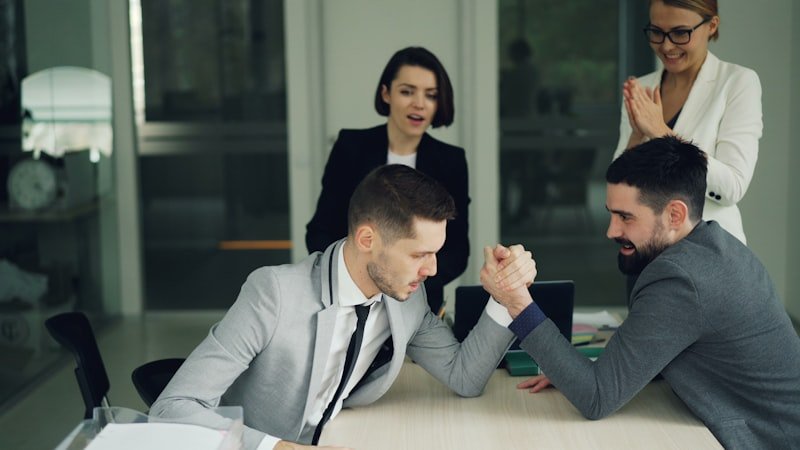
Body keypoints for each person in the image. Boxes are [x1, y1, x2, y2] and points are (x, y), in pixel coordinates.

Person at [152, 165, 533, 450]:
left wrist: (505, 297)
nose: (432, 269)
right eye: (420, 254)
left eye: (436, 253)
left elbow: (464, 376)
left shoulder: (407, 297)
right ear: (368, 238)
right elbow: (172, 409)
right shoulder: (274, 293)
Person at [483, 137, 800, 449]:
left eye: (625, 217)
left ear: (674, 215)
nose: (611, 231)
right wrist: (571, 370)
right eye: (611, 213)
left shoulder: (682, 279)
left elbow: (595, 398)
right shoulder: (715, 245)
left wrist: (517, 303)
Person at [305, 46, 469, 314]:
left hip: (418, 301)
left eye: (431, 95)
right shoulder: (351, 146)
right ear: (386, 93)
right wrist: (356, 280)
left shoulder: (451, 161)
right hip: (349, 298)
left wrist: (410, 281)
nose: (419, 103)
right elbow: (321, 230)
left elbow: (457, 249)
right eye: (407, 91)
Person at [613, 0, 762, 244]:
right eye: (657, 32)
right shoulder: (642, 88)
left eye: (680, 33)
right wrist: (637, 136)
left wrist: (661, 132)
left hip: (709, 255)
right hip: (646, 254)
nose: (667, 46)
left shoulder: (737, 83)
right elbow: (619, 186)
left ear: (712, 25)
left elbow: (732, 187)